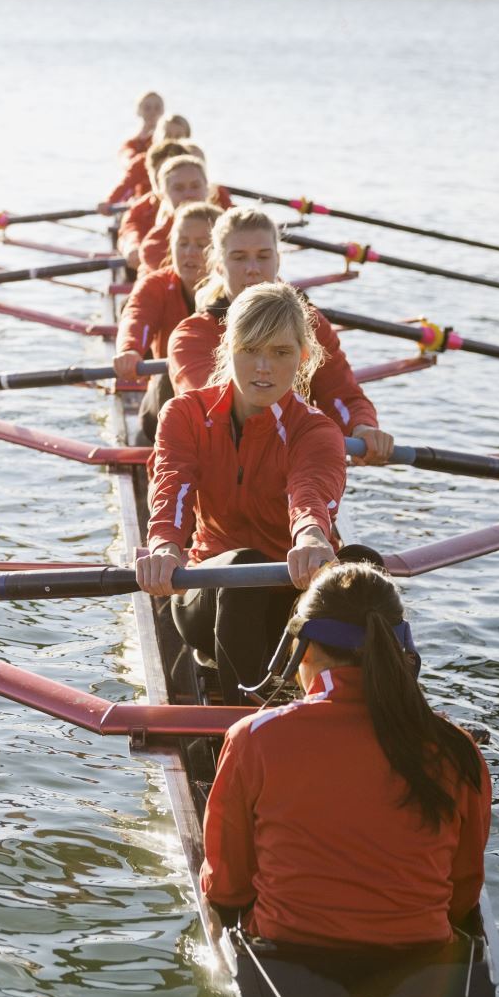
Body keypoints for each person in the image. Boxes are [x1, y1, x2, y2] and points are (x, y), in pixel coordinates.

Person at [199, 562, 491, 997]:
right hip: (422, 965)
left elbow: (228, 886)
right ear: (402, 650)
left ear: (304, 649)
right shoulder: (458, 748)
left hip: (287, 960)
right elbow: (462, 893)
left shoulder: (252, 739)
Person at [135, 282, 347, 704]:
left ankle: (392, 715)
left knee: (362, 566)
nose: (263, 367)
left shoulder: (317, 431)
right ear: (227, 348)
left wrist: (309, 535)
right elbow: (171, 486)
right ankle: (247, 720)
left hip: (294, 604)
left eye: (281, 352)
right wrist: (165, 546)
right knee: (242, 572)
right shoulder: (184, 414)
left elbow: (309, 495)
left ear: (303, 357)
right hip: (210, 592)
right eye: (249, 350)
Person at [167, 206, 392, 465]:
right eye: (239, 257)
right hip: (215, 467)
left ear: (278, 260)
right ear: (219, 266)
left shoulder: (311, 325)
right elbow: (211, 409)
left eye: (263, 256)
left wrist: (361, 428)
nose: (252, 269)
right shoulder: (191, 336)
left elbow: (341, 393)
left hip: (284, 462)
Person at [113, 199, 219, 383]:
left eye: (202, 245)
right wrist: (129, 349)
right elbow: (137, 316)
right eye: (183, 243)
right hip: (171, 382)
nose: (189, 252)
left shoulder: (240, 288)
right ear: (171, 246)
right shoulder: (156, 284)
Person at [116, 147, 230, 271]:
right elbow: (130, 227)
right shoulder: (154, 245)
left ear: (208, 189)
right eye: (179, 188)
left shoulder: (230, 227)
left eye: (195, 186)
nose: (188, 194)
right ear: (162, 195)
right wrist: (132, 246)